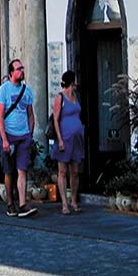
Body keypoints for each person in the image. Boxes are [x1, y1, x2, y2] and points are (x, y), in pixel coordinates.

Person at [0, 58, 37, 218]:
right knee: (8, 171)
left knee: (22, 170)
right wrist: (4, 139)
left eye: (22, 68)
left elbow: (30, 114)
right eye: (19, 69)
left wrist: (30, 133)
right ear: (12, 72)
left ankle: (22, 204)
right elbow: (0, 116)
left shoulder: (27, 91)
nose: (22, 71)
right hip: (9, 135)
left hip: (23, 136)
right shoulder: (4, 90)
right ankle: (10, 203)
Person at [51, 70, 85, 215]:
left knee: (75, 171)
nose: (76, 83)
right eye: (75, 81)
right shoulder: (60, 97)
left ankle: (74, 200)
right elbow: (55, 119)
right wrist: (59, 139)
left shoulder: (75, 97)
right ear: (72, 81)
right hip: (64, 139)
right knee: (62, 171)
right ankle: (64, 203)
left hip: (76, 139)